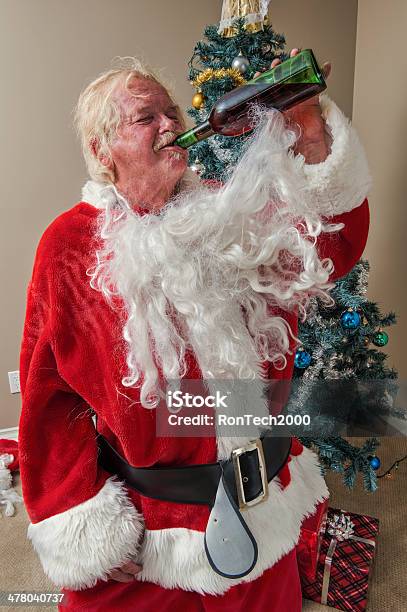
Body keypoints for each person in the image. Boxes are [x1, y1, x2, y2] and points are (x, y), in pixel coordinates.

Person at [18, 49, 371, 611]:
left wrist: (308, 131)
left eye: (173, 112)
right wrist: (86, 522)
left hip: (262, 514)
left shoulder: (230, 211)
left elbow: (329, 246)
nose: (172, 125)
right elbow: (47, 400)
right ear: (101, 150)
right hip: (153, 536)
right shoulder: (69, 247)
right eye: (146, 117)